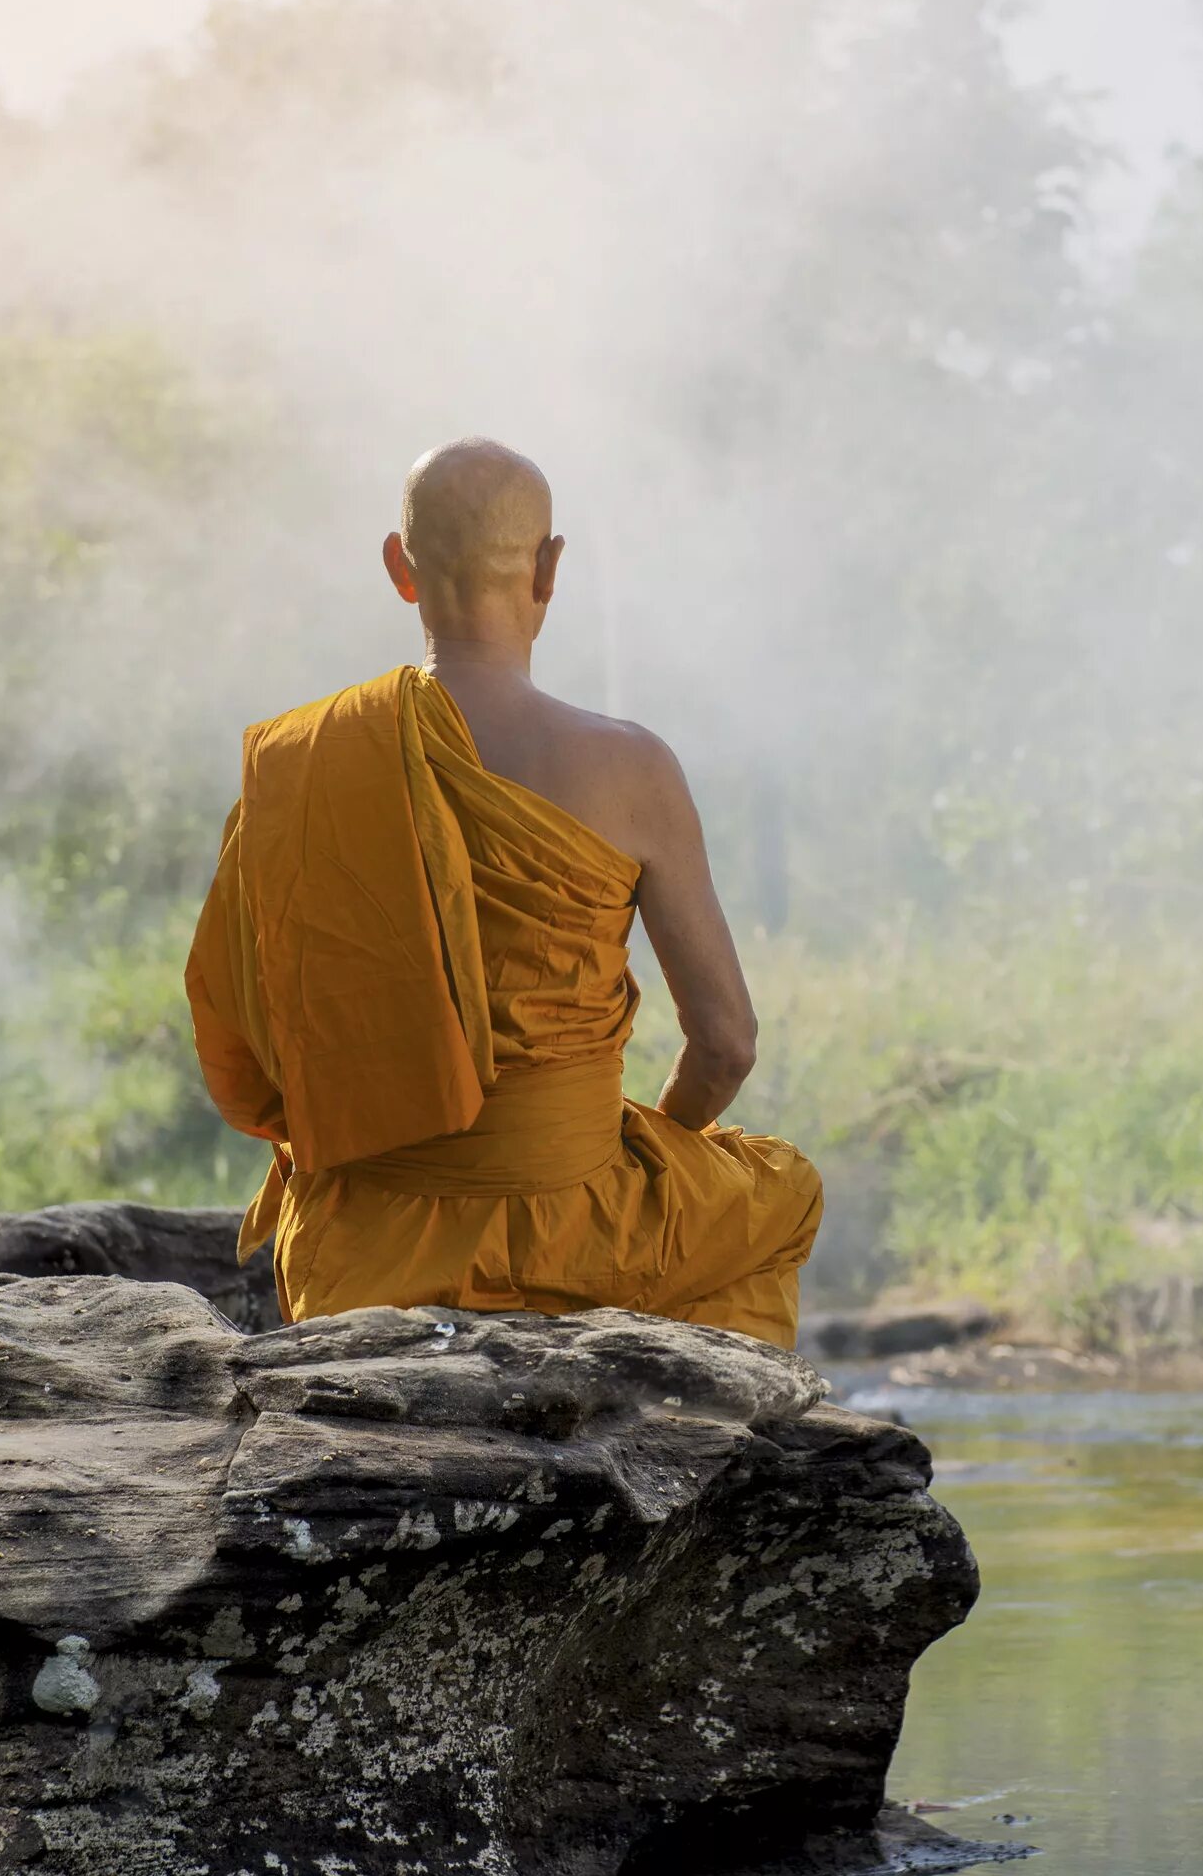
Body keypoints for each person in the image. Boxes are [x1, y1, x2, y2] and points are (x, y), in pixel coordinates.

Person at [184, 438, 821, 1348]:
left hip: (363, 1248)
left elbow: (248, 1046)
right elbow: (726, 1045)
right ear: (548, 569)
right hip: (579, 1230)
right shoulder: (631, 768)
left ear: (400, 569)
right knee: (783, 1190)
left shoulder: (304, 762)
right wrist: (641, 1144)